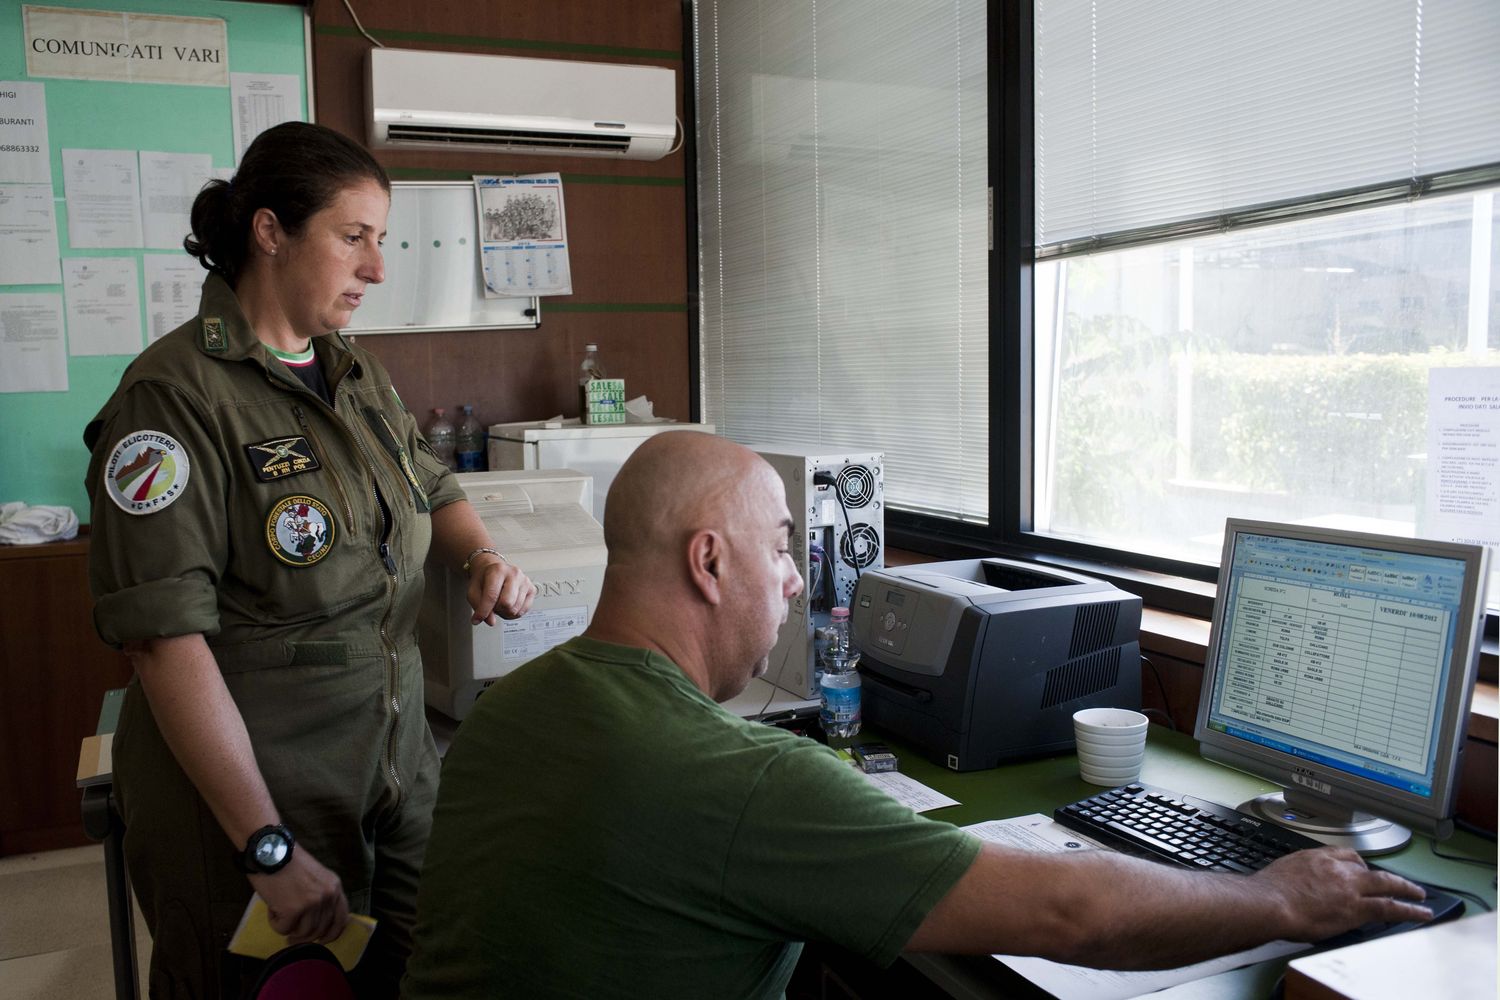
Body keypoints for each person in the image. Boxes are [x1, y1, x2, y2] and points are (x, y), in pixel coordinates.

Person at [400, 431, 1432, 999]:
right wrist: (1284, 900)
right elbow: (1068, 913)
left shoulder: (512, 708)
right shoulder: (738, 781)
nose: (798, 583)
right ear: (708, 564)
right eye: (779, 548)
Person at [83, 121, 535, 999]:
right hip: (255, 798)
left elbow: (430, 484)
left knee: (423, 973)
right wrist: (266, 846)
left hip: (394, 768)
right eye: (354, 238)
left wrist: (478, 555)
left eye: (383, 241)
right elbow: (164, 642)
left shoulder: (354, 373)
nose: (375, 268)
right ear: (269, 231)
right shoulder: (174, 400)